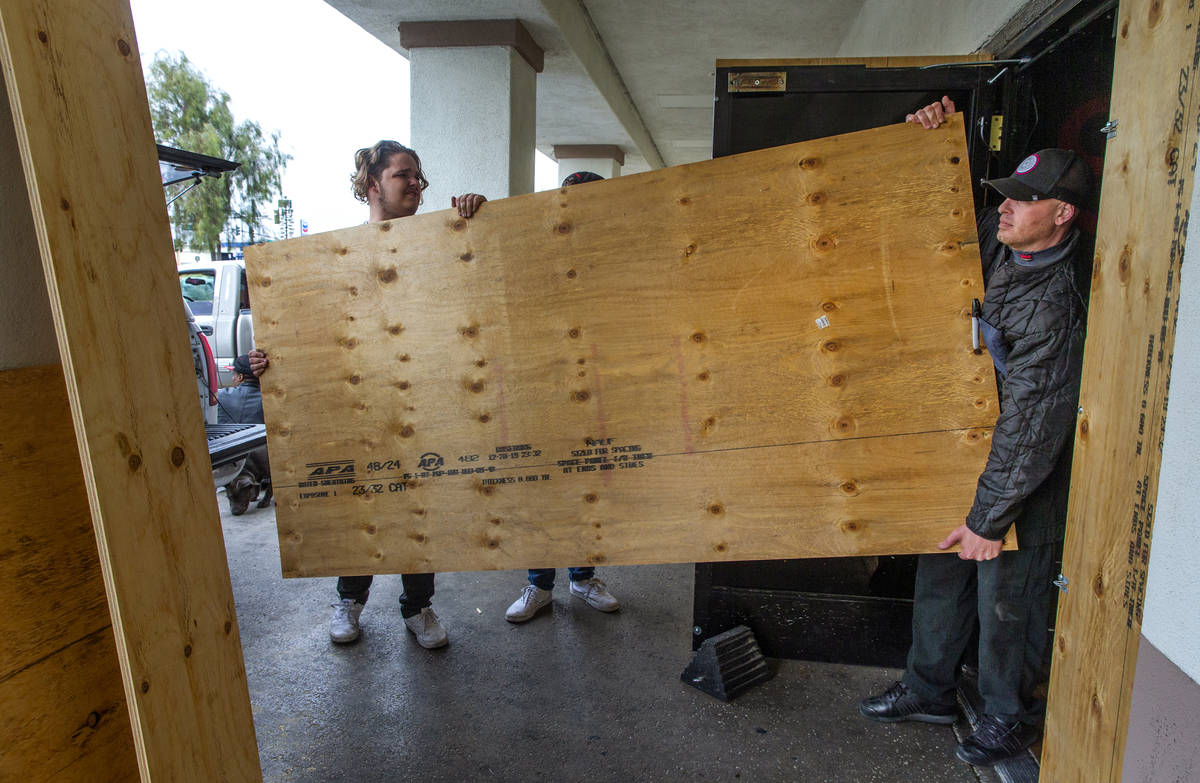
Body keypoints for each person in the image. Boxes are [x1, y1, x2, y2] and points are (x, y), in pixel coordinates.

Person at [859, 97, 1090, 768]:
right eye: (1007, 197)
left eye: (1024, 200)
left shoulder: (1056, 305)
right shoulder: (998, 235)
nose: (1006, 207)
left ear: (1063, 212)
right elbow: (941, 204)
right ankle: (928, 688)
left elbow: (1032, 424)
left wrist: (990, 518)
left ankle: (1006, 717)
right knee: (939, 575)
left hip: (1022, 474)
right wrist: (922, 139)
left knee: (1005, 605)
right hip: (964, 448)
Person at [249, 140, 486, 649]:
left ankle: (418, 608)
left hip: (420, 398)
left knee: (416, 499)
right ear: (372, 184)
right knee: (360, 497)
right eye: (404, 175)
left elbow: (476, 283)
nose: (416, 184)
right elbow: (308, 327)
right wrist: (271, 363)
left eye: (420, 175)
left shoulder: (438, 239)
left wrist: (477, 216)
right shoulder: (334, 253)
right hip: (358, 398)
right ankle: (350, 600)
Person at [503, 171, 621, 623]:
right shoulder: (538, 258)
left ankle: (583, 576)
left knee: (584, 486)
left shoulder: (609, 262)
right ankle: (539, 585)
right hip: (541, 392)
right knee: (543, 488)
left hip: (594, 393)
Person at [217, 354, 271, 515]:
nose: (233, 378)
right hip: (263, 466)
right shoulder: (270, 400)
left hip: (231, 467)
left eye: (234, 375)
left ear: (240, 377)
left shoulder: (220, 396)